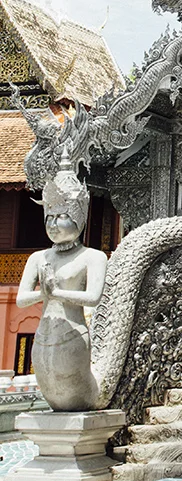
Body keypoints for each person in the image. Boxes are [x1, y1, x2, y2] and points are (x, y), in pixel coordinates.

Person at [16, 149, 107, 411]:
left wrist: (57, 292)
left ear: (79, 218)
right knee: (54, 400)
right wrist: (46, 294)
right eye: (50, 218)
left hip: (73, 335)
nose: (54, 224)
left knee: (71, 402)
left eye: (62, 217)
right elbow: (22, 299)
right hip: (43, 337)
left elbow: (93, 298)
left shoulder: (93, 257)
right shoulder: (38, 257)